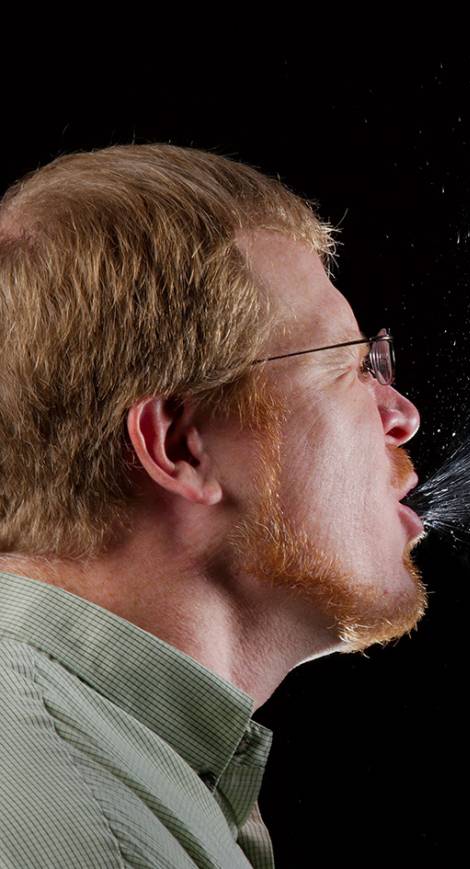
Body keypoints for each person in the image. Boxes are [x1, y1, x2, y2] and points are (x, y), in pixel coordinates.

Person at [0, 144, 426, 868]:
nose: (402, 415)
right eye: (350, 366)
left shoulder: (117, 765)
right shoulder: (91, 834)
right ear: (182, 444)